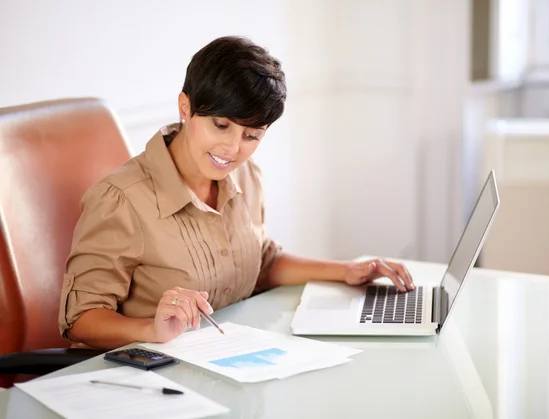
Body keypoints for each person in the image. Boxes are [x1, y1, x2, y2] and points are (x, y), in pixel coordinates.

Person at [58, 36, 415, 350]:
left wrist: (347, 271)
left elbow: (262, 262)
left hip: (229, 361)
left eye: (251, 135)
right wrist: (151, 329)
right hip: (149, 376)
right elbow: (81, 320)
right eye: (221, 125)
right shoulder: (121, 199)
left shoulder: (245, 174)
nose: (232, 148)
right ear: (186, 108)